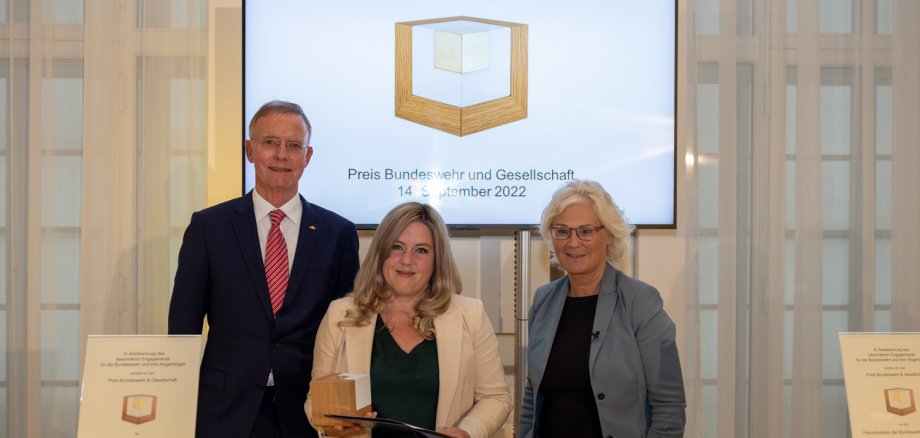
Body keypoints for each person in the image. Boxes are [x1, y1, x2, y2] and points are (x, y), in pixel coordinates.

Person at [169, 100, 360, 438]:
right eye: (270, 142)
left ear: (308, 156)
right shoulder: (209, 227)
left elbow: (348, 334)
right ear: (250, 150)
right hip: (224, 410)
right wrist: (175, 408)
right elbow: (183, 327)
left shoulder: (338, 234)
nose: (281, 155)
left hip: (308, 410)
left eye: (293, 145)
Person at [307, 202, 512, 438]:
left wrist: (466, 432)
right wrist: (333, 427)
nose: (406, 260)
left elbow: (495, 397)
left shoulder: (470, 314)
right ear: (381, 253)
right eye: (397, 247)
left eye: (421, 250)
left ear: (437, 261)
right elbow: (316, 400)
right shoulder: (340, 314)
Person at [518, 180, 686, 438]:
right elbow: (533, 392)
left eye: (586, 231)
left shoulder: (640, 301)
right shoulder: (543, 300)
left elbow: (669, 405)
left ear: (608, 235)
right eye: (562, 231)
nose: (573, 243)